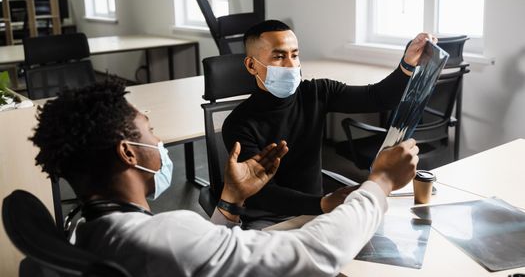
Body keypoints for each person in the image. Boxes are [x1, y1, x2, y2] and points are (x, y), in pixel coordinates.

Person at [31, 79, 419, 277]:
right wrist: (380, 183)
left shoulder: (87, 227)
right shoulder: (164, 235)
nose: (159, 140)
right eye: (150, 131)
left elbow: (198, 259)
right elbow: (312, 255)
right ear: (129, 152)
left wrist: (230, 201)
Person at [222, 19, 436, 229]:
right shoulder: (239, 123)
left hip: (319, 210)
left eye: (295, 55)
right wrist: (323, 204)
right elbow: (262, 193)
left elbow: (378, 97)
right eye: (279, 57)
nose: (291, 64)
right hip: (270, 218)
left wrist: (407, 65)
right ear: (251, 65)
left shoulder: (317, 92)